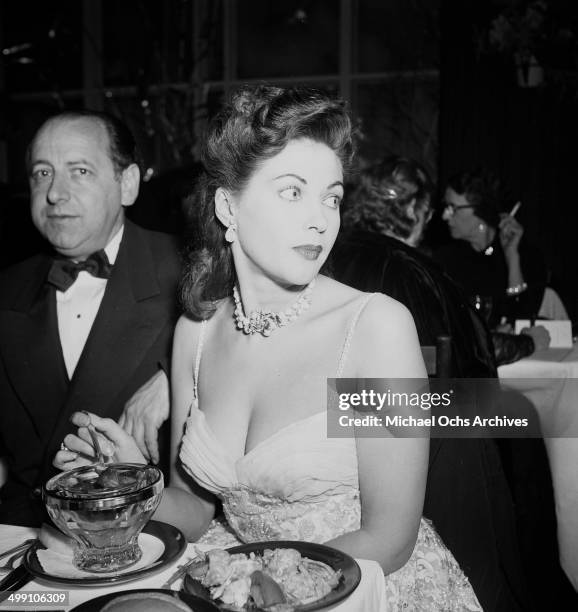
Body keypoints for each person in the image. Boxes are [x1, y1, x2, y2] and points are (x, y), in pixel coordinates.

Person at [55, 86, 482, 610]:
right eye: (292, 191)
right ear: (228, 208)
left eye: (332, 197)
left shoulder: (375, 329)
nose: (321, 218)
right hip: (235, 581)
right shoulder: (198, 329)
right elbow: (197, 509)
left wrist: (249, 585)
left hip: (357, 584)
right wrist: (138, 486)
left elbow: (391, 538)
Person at [332, 156, 532, 611]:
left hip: (330, 447)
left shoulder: (316, 263)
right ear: (419, 214)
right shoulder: (420, 272)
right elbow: (470, 372)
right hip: (428, 472)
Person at [0, 110, 180, 526]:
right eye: (42, 173)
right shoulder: (6, 291)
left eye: (79, 170)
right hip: (25, 539)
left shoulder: (193, 274)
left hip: (148, 536)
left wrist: (181, 374)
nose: (55, 194)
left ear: (128, 184)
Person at [434, 168, 550, 364]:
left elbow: (522, 318)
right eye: (446, 206)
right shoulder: (445, 258)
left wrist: (512, 258)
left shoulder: (525, 256)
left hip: (516, 358)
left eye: (453, 208)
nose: (445, 215)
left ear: (479, 212)